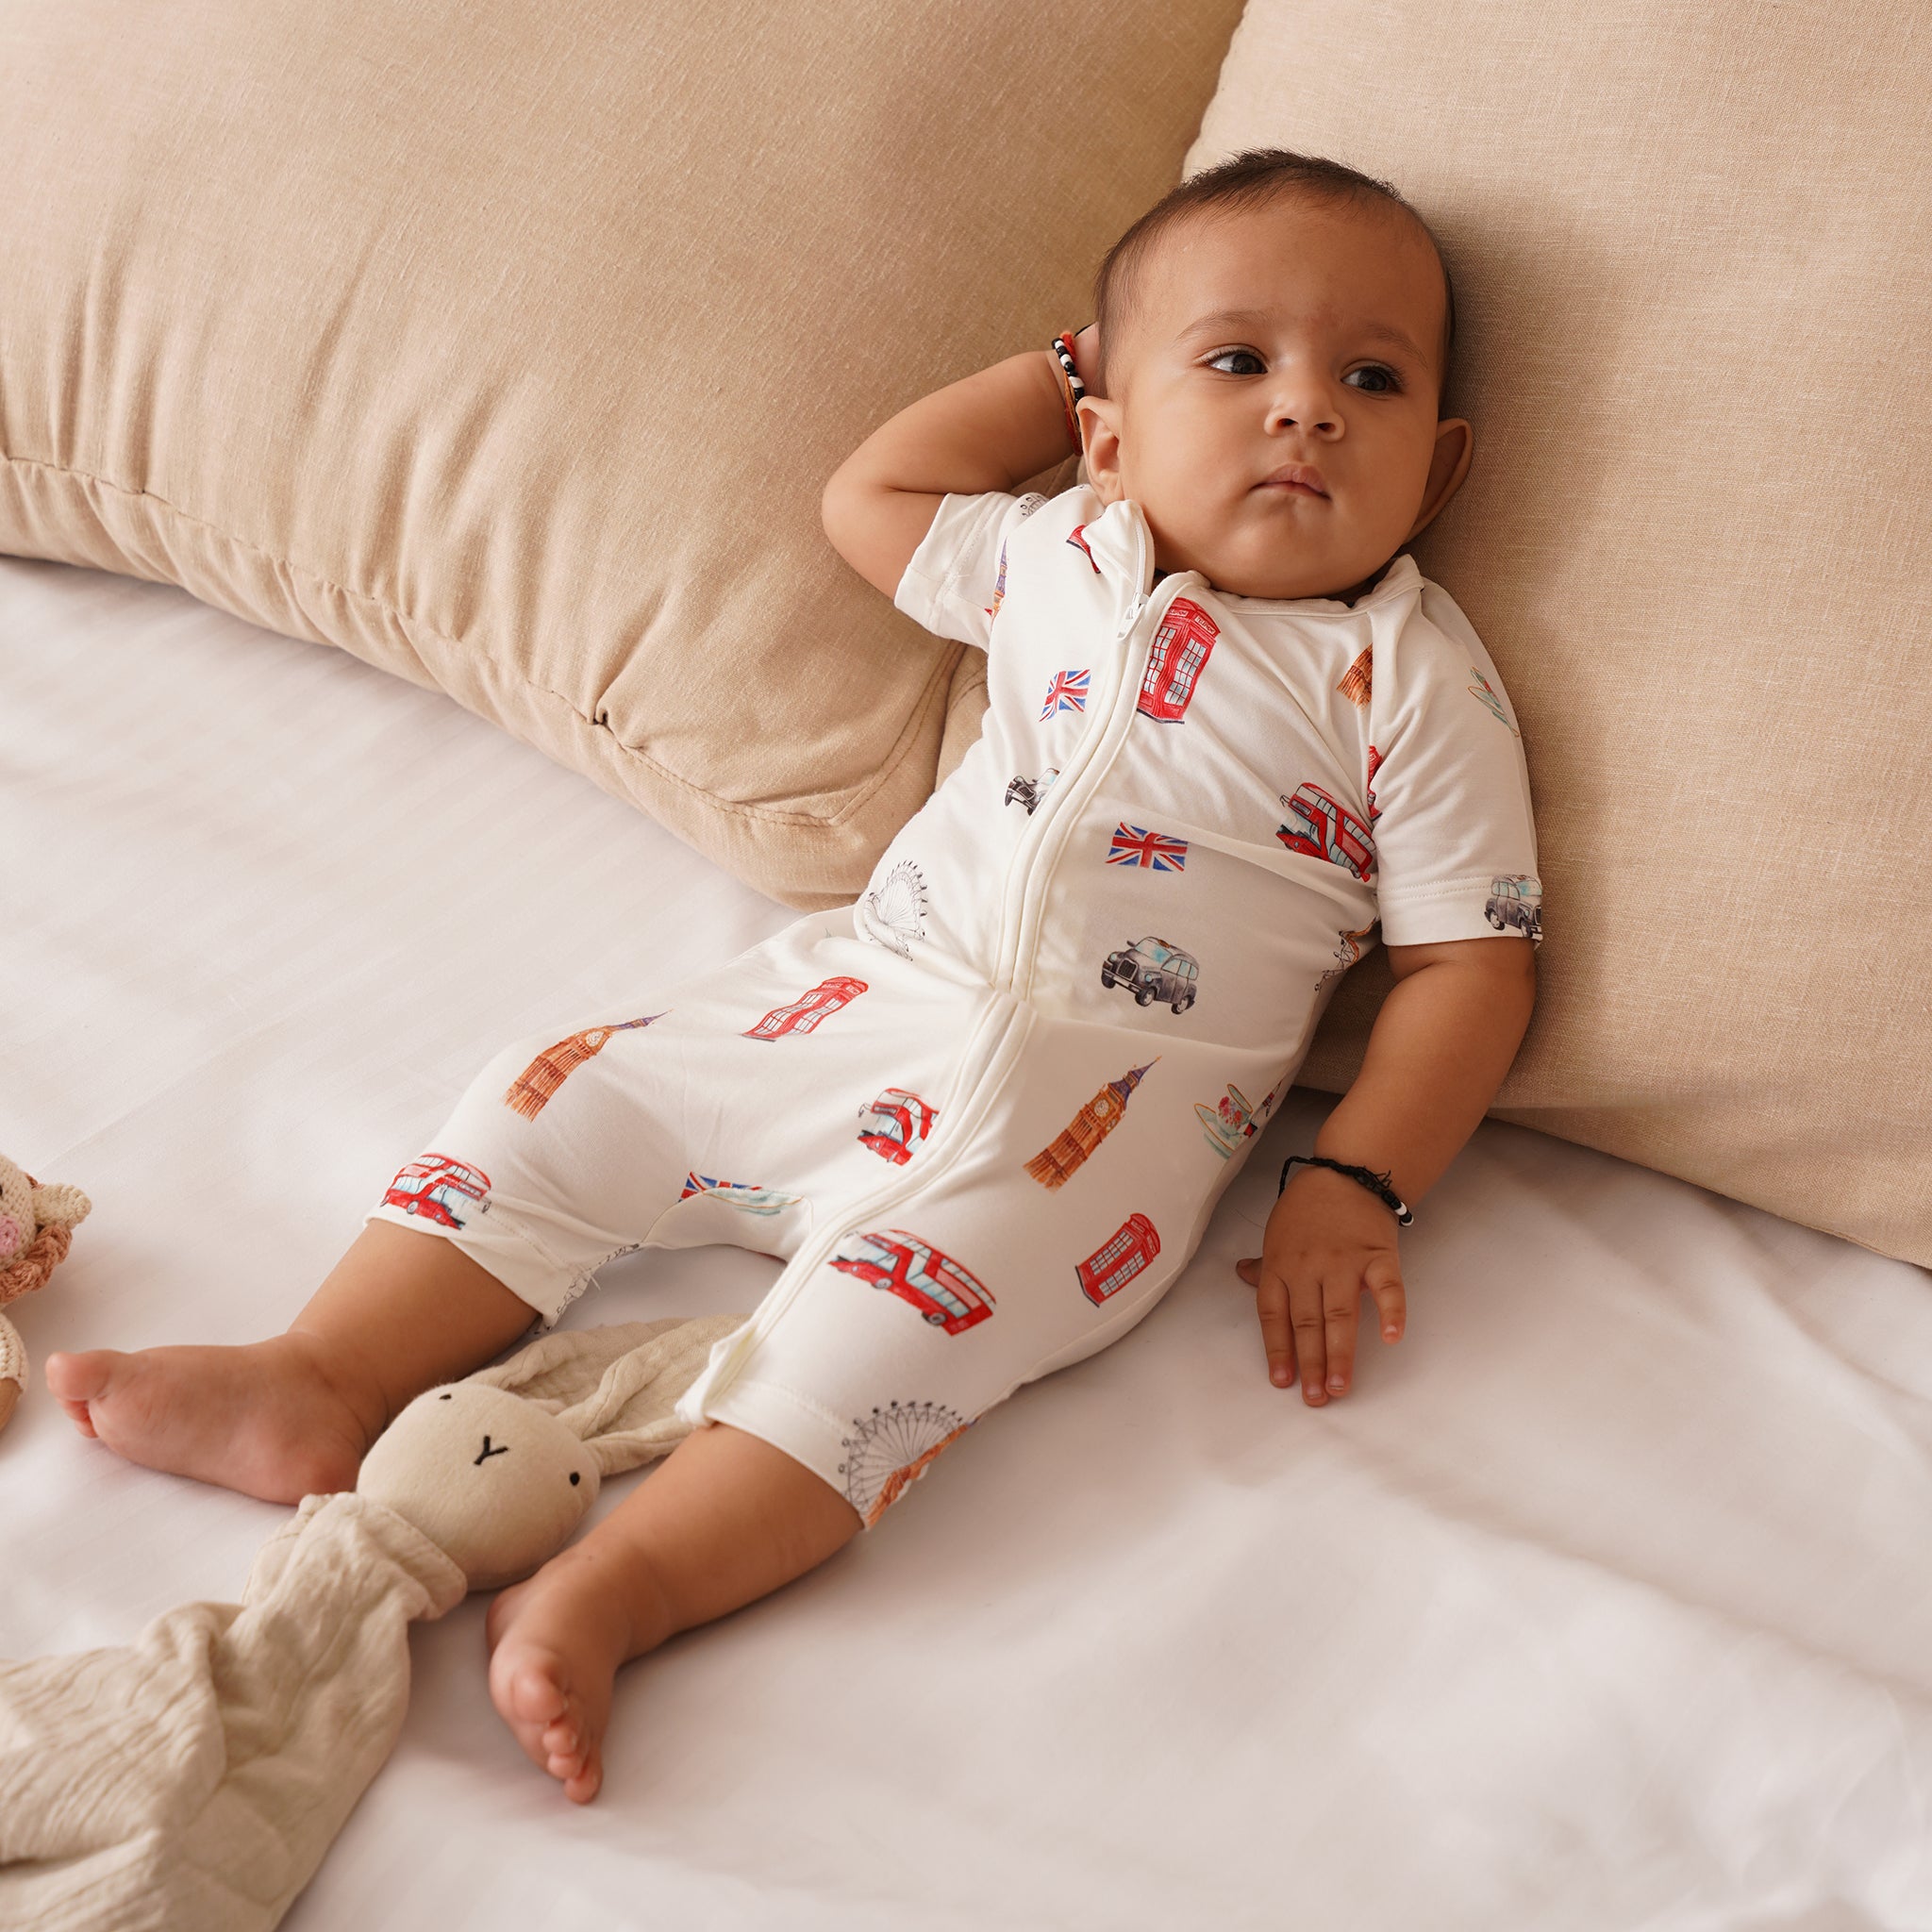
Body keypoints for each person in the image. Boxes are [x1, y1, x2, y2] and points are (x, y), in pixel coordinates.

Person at [45, 149, 1538, 1805]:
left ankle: (621, 1589)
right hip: (854, 998)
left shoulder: (1409, 674)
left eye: (1372, 379)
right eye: (1239, 360)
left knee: (876, 1368)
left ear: (1439, 467)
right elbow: (872, 498)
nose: (1306, 409)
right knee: (572, 1097)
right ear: (1111, 435)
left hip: (1087, 1132)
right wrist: (1061, 375)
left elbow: (1471, 965)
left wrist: (1356, 1179)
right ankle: (324, 1374)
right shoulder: (1061, 551)